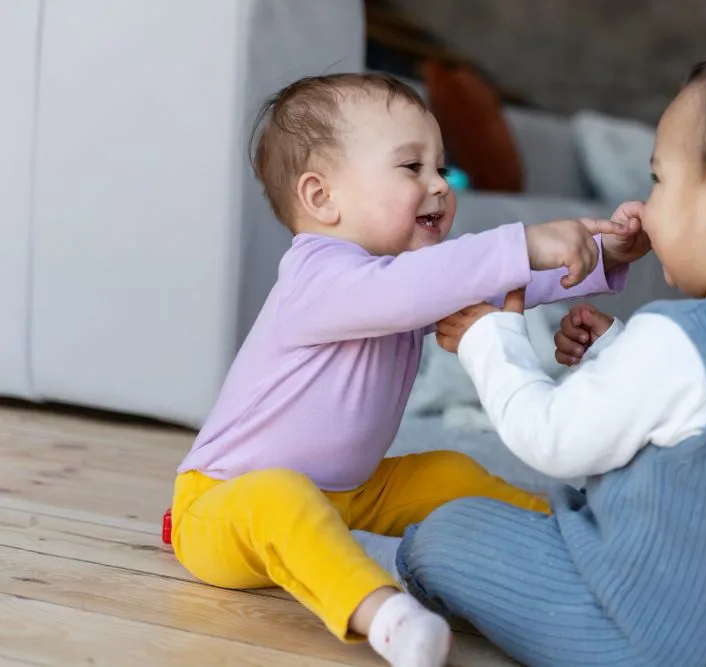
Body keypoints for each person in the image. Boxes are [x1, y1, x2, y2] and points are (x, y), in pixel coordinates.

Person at [375, 35, 706, 667]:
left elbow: (551, 440)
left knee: (446, 532)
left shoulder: (676, 338)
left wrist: (492, 338)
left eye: (658, 180)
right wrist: (614, 353)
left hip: (640, 640)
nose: (646, 206)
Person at [168, 72, 649, 667]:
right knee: (279, 496)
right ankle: (383, 615)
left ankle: (579, 541)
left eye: (441, 169)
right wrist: (522, 241)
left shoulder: (400, 278)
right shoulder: (318, 278)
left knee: (445, 473)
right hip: (223, 504)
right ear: (322, 198)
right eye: (411, 168)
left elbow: (488, 287)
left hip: (352, 491)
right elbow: (423, 285)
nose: (440, 187)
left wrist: (598, 254)